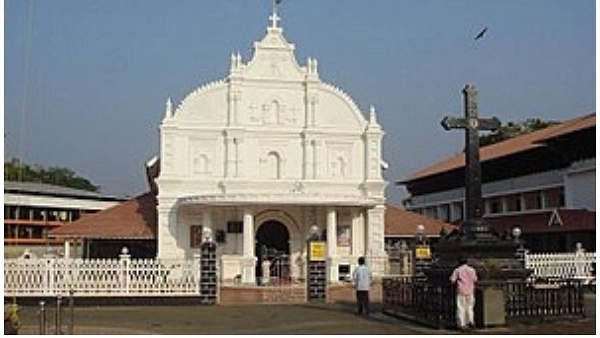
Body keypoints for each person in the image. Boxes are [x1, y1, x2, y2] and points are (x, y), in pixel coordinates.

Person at [450, 257, 478, 330]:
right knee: (470, 307)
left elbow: (452, 280)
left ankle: (462, 324)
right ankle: (471, 321)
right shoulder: (472, 270)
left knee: (461, 307)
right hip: (470, 290)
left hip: (461, 290)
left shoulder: (457, 270)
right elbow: (475, 279)